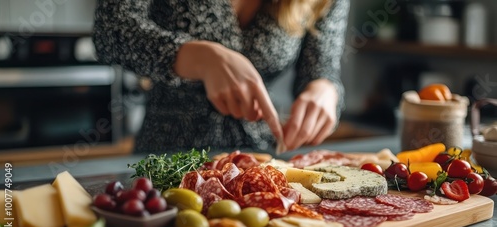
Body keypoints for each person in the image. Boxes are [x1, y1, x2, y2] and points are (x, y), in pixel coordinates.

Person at [92, 0, 349, 153]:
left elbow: (321, 67)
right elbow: (110, 31)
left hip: (259, 160)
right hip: (166, 157)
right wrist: (199, 58)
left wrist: (325, 88)